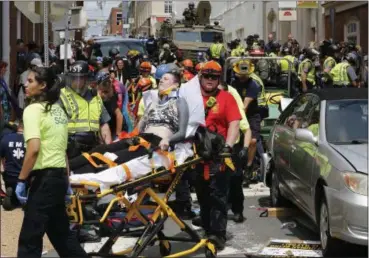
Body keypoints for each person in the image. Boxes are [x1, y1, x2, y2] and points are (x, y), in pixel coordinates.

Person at [14, 66, 88, 258]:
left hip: (44, 179)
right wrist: (66, 180)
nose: (25, 84)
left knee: (30, 238)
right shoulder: (58, 111)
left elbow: (34, 149)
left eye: (30, 81)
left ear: (43, 85)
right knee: (62, 236)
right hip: (59, 177)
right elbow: (62, 150)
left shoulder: (32, 110)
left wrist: (21, 181)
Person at [68, 68, 188, 174]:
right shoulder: (153, 103)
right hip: (139, 139)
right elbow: (139, 128)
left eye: (166, 79)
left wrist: (168, 139)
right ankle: (66, 168)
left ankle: (74, 175)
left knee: (112, 158)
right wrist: (124, 138)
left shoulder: (179, 102)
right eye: (161, 78)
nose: (161, 80)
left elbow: (182, 133)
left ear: (176, 84)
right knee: (101, 150)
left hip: (156, 142)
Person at [192, 61, 241, 250]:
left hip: (218, 155)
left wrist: (228, 146)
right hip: (197, 155)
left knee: (218, 196)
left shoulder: (227, 98)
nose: (210, 80)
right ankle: (206, 227)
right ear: (201, 77)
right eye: (207, 76)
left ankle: (218, 234)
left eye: (214, 77)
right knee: (202, 195)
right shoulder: (193, 98)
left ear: (219, 79)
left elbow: (235, 123)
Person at [60, 60, 112, 158]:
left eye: (80, 78)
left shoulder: (95, 96)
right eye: (74, 78)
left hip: (93, 145)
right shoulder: (62, 95)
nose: (77, 81)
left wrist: (108, 148)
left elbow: (103, 124)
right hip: (71, 148)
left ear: (87, 79)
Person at [231, 60, 262, 184]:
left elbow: (245, 106)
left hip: (250, 114)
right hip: (235, 113)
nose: (243, 77)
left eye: (245, 75)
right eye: (241, 74)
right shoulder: (233, 83)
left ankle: (249, 167)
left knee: (252, 141)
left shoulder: (253, 85)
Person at [0, 120, 25, 210]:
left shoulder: (5, 139)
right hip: (24, 177)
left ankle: (11, 193)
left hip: (9, 176)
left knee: (10, 182)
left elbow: (2, 157)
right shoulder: (30, 140)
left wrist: (4, 170)